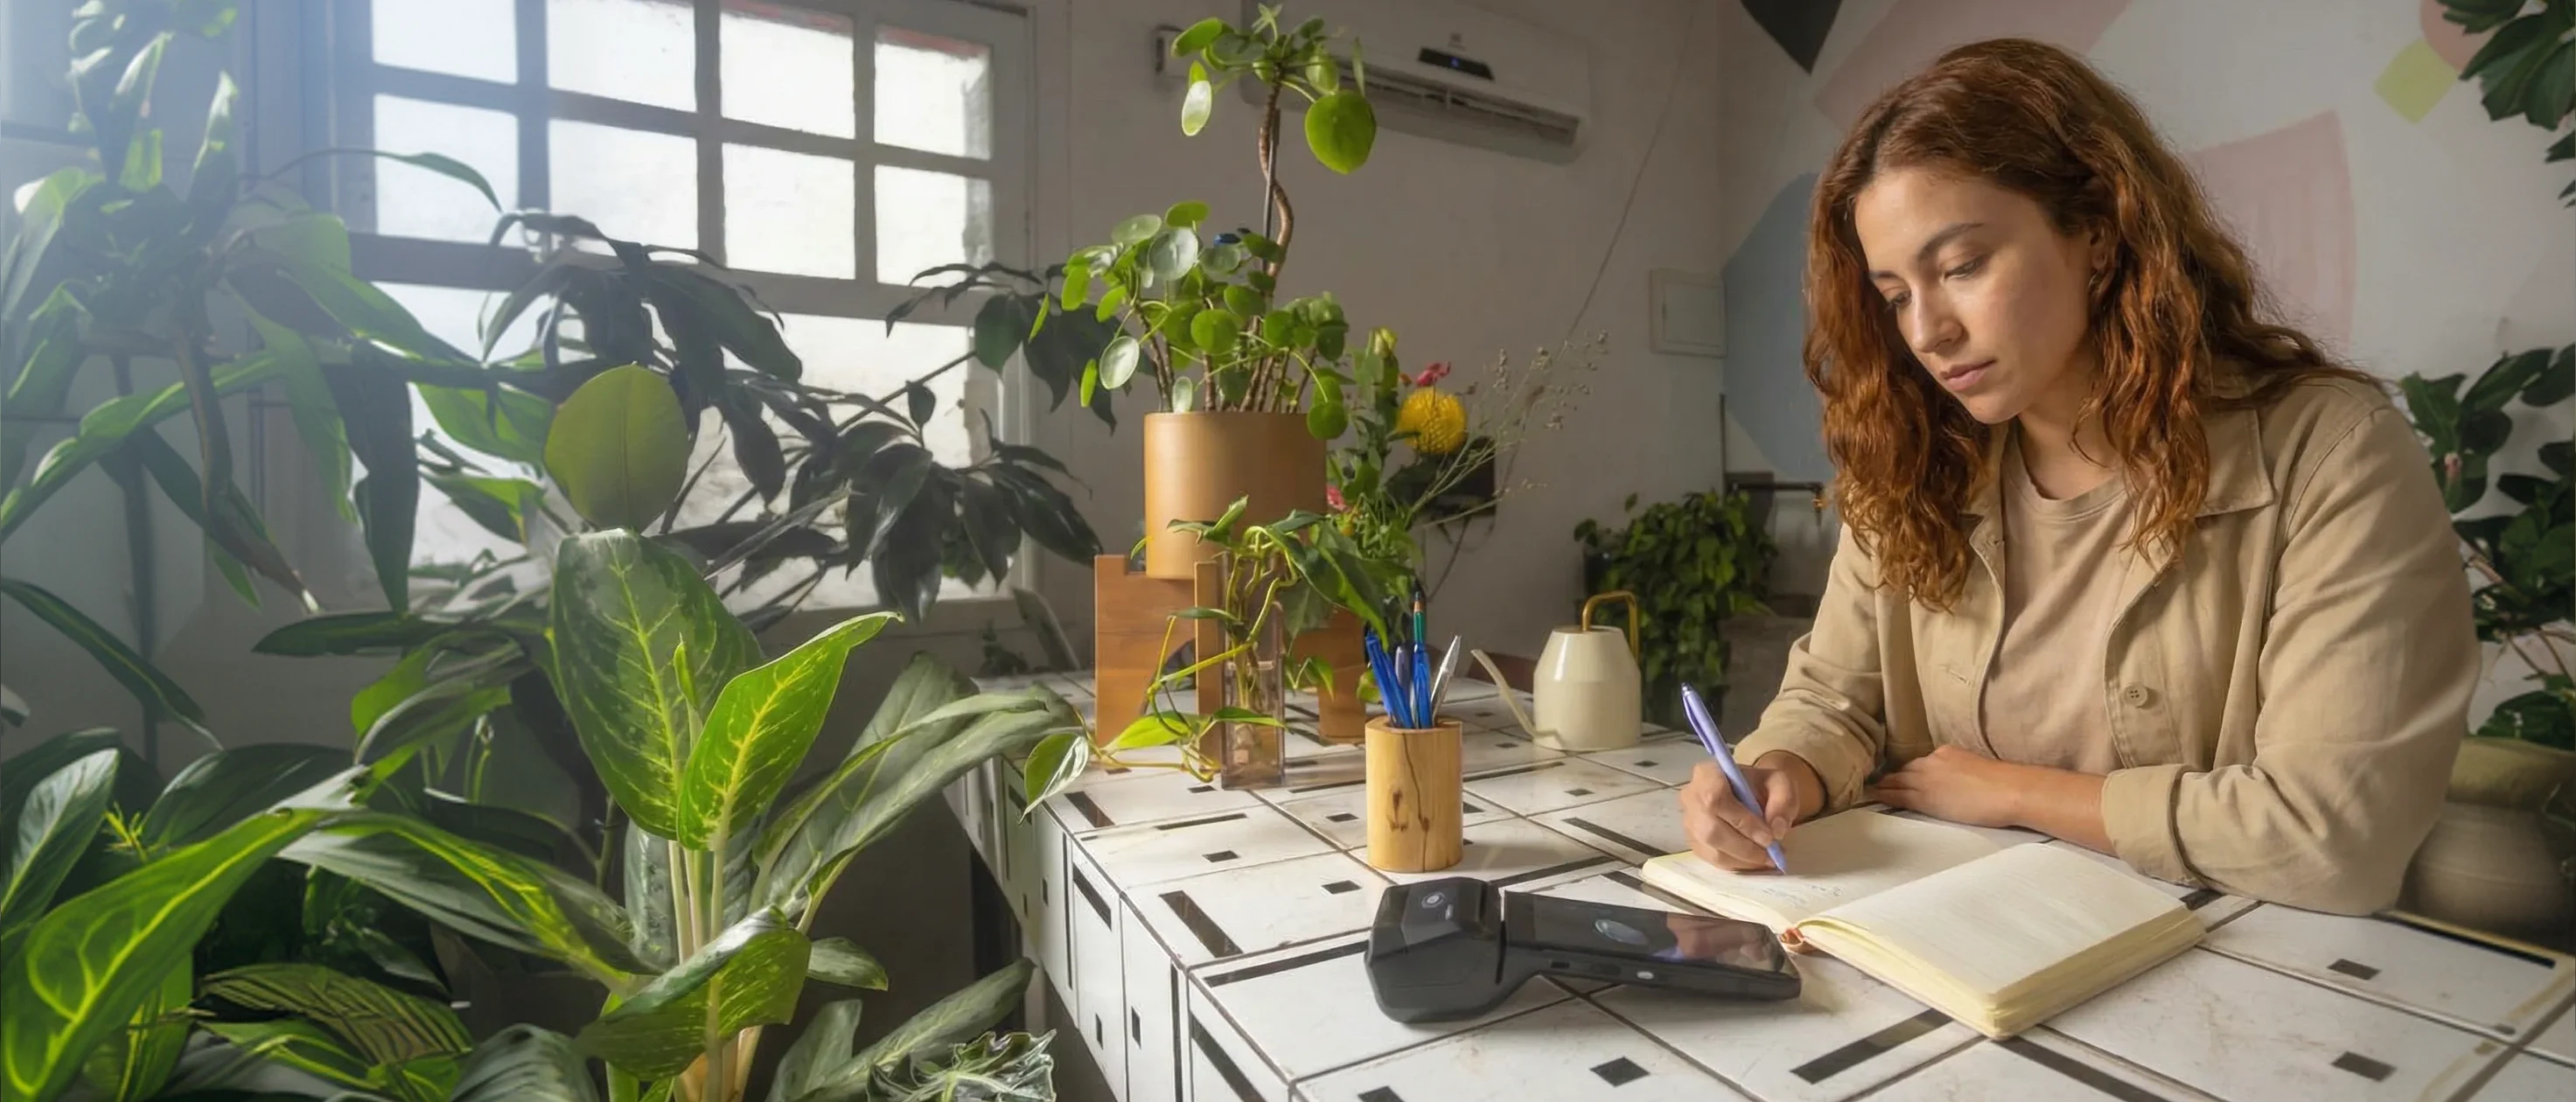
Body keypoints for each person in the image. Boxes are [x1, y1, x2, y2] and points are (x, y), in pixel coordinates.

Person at [1679, 38, 2478, 916]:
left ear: (2096, 232)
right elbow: (1833, 698)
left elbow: (2335, 840)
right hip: (1961, 937)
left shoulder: (2329, 452)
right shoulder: (1906, 462)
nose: (1926, 332)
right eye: (1894, 292)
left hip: (2232, 966)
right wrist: (1775, 769)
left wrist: (2013, 791)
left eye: (1959, 268)